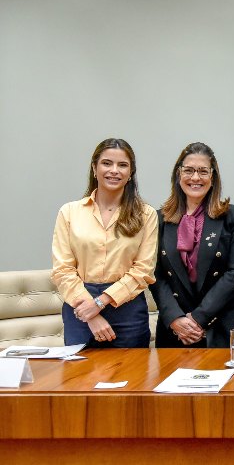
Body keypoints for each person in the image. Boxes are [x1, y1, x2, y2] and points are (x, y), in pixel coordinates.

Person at [51, 138, 157, 347]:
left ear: (130, 173)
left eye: (123, 165)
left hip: (128, 309)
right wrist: (90, 313)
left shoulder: (146, 214)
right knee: (78, 377)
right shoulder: (69, 212)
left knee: (132, 377)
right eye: (107, 163)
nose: (114, 170)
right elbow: (62, 270)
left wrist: (100, 302)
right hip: (79, 307)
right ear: (94, 168)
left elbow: (143, 270)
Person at [150, 142, 234, 348]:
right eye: (189, 170)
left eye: (203, 171)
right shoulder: (159, 219)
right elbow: (155, 275)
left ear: (213, 177)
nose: (195, 178)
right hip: (176, 330)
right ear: (178, 175)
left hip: (222, 325)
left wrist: (198, 318)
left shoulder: (233, 216)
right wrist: (176, 319)